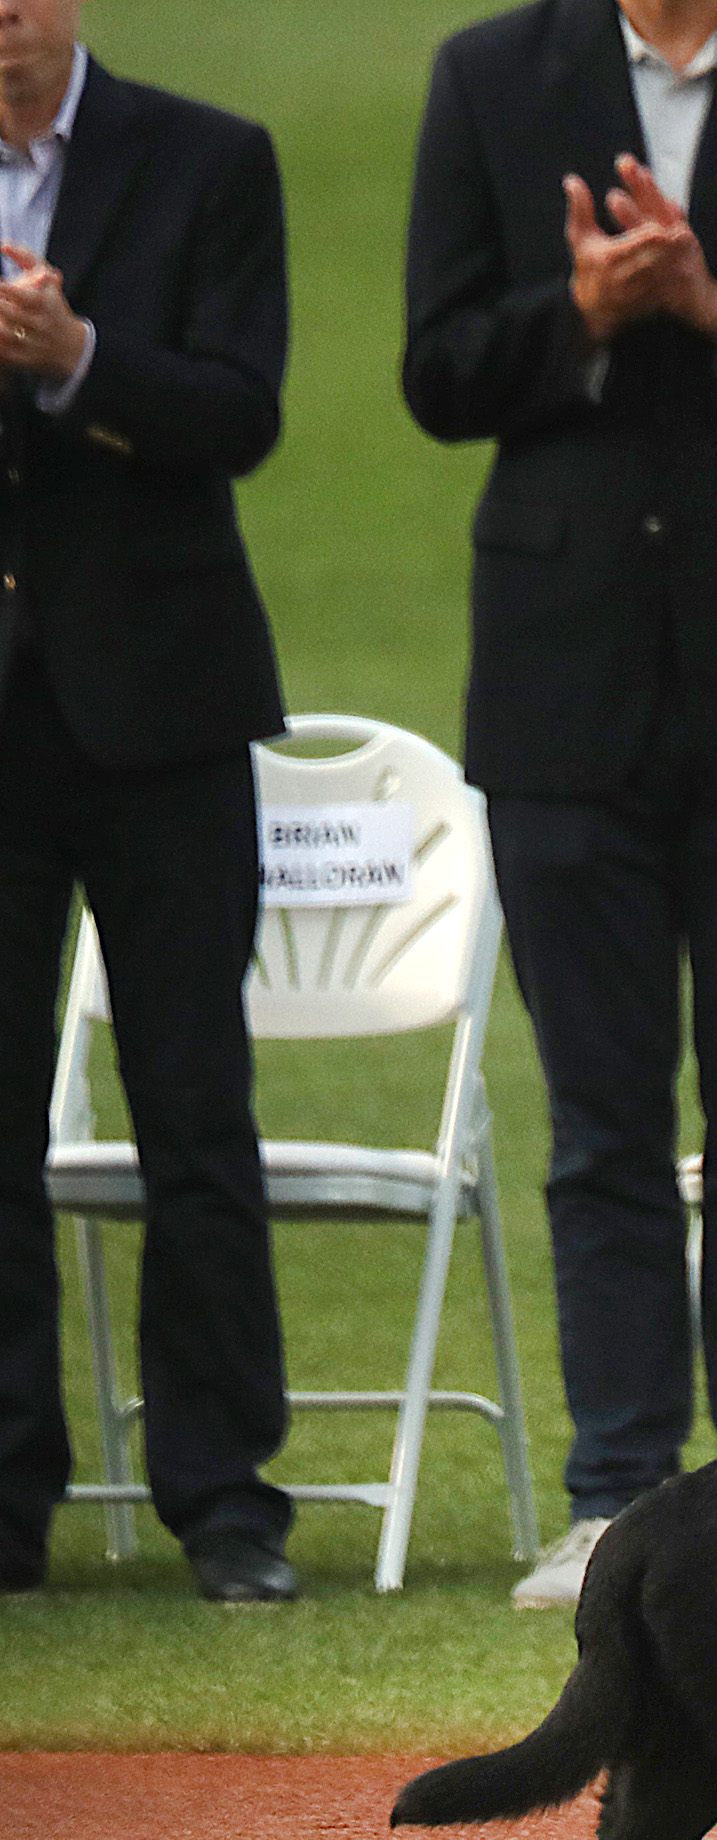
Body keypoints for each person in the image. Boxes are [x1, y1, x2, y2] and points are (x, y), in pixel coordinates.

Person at [400, 0, 717, 1611]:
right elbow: (436, 372)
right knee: (602, 1118)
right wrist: (576, 301)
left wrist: (711, 306)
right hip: (560, 691)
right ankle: (619, 1494)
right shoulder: (491, 74)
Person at [0, 4, 299, 1604]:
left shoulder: (206, 159)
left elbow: (241, 410)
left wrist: (77, 360)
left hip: (164, 704)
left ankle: (223, 1495)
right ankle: (6, 1504)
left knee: (194, 1106)